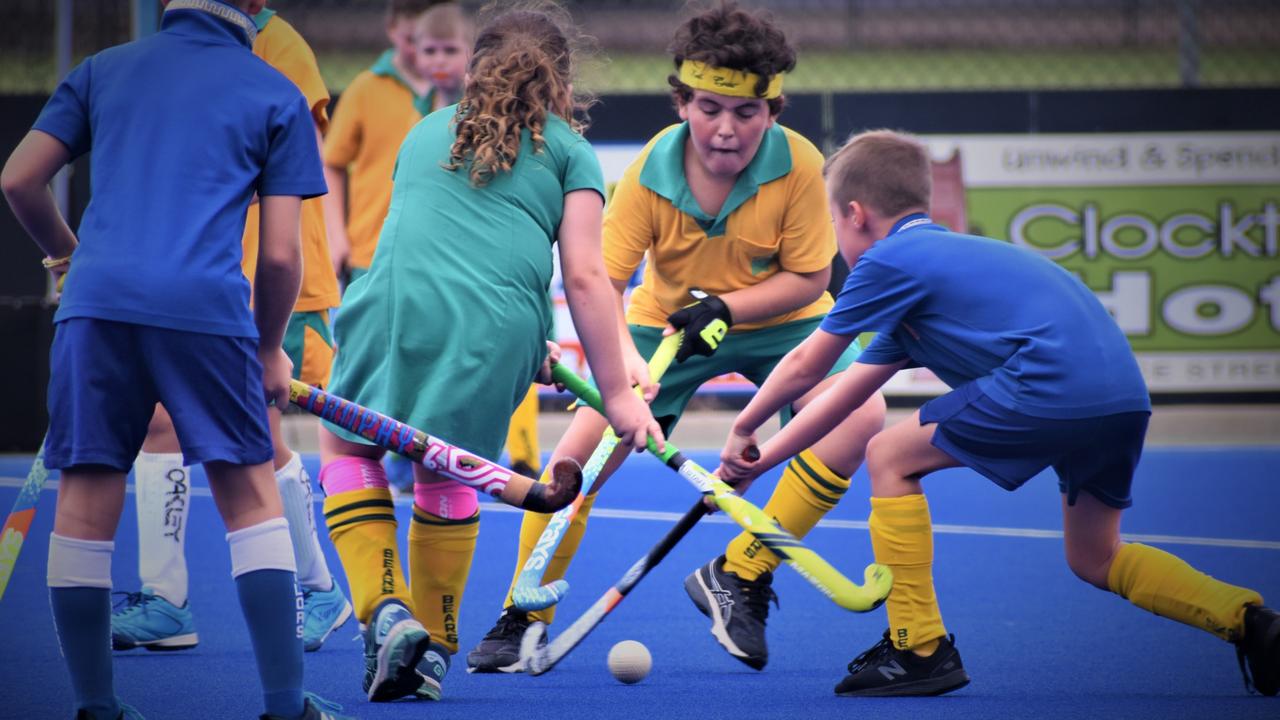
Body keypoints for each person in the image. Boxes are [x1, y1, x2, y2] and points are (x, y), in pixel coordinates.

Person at [713, 129, 1280, 697]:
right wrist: (758, 461)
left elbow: (809, 365)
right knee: (1095, 556)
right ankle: (1249, 621)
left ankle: (919, 648)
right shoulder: (936, 269)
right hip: (1123, 397)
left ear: (855, 214)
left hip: (1049, 381)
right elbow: (845, 392)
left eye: (834, 224)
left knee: (889, 453)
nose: (837, 238)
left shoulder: (890, 261)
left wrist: (743, 426)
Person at [465, 0, 886, 674]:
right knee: (577, 462)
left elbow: (810, 278)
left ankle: (741, 571)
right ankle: (523, 616)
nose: (726, 129)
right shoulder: (650, 173)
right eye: (709, 109)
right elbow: (600, 281)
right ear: (682, 103)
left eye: (746, 112)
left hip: (782, 324)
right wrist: (627, 363)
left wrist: (727, 304)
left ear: (773, 112)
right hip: (665, 328)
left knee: (862, 412)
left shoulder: (801, 164)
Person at [1, 1, 351, 718]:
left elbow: (17, 180)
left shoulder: (102, 69)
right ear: (254, 6)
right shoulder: (271, 89)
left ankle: (96, 704)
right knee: (250, 497)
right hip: (207, 311)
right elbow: (283, 254)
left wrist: (69, 257)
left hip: (95, 308)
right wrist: (267, 348)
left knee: (87, 497)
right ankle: (285, 705)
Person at [314, 0, 663, 703]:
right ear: (561, 83)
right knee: (449, 471)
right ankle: (436, 648)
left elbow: (437, 244)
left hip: (388, 310)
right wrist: (617, 394)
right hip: (496, 330)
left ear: (474, 72)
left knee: (349, 454)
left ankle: (384, 609)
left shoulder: (424, 132)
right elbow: (588, 277)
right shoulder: (571, 151)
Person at [109, 4, 352, 657]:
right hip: (201, 278)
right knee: (161, 419)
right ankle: (165, 599)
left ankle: (320, 588)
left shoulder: (279, 46)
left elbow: (283, 168)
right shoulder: (185, 47)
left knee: (253, 433)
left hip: (271, 281)